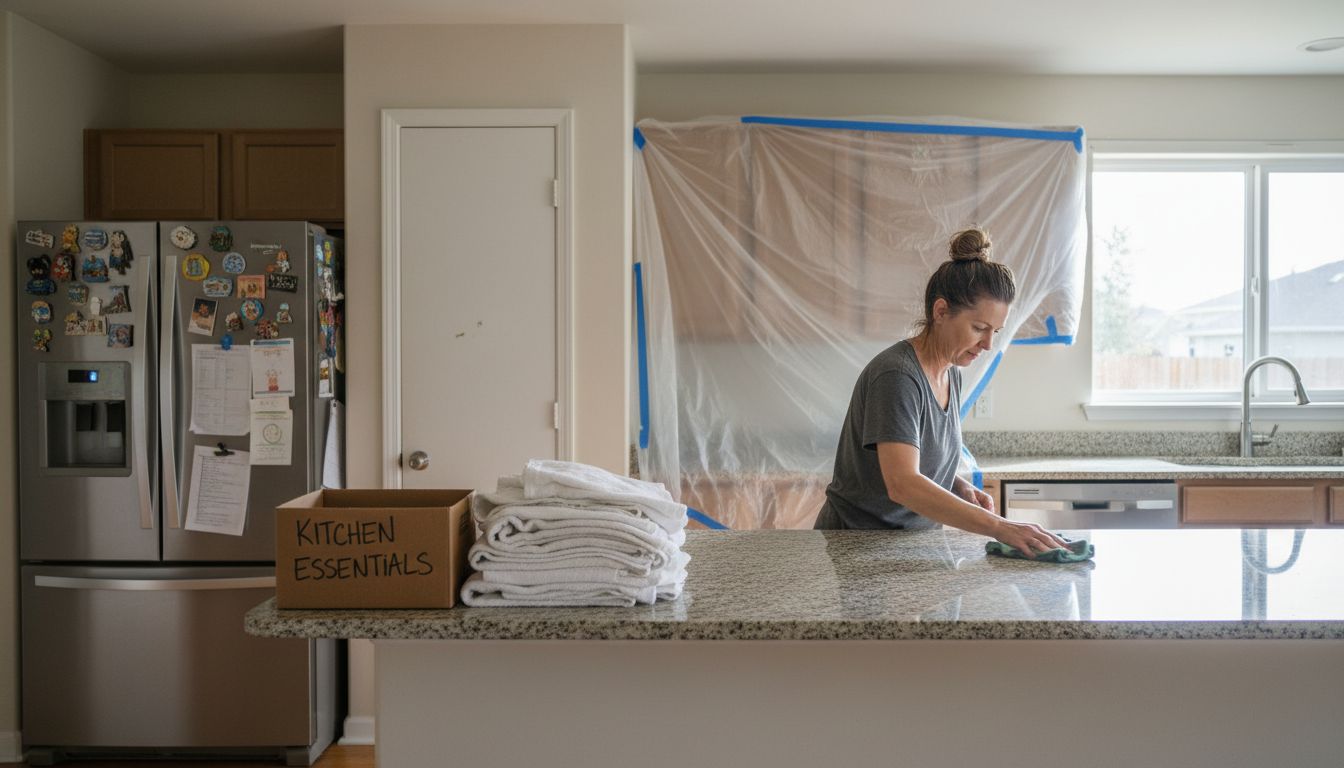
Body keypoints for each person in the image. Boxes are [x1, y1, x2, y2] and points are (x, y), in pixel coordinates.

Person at [813, 227, 1069, 557]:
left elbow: (918, 461)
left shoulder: (951, 373)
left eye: (995, 331)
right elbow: (902, 483)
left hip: (908, 547)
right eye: (979, 328)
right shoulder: (897, 376)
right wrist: (1000, 526)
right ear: (941, 311)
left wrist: (957, 486)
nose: (988, 344)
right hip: (859, 549)